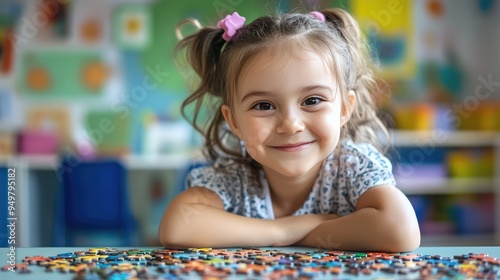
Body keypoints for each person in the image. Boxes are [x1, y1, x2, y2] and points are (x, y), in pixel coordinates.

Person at [159, 8, 420, 252]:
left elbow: (400, 229)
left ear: (344, 109)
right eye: (263, 105)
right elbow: (177, 226)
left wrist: (306, 236)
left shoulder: (352, 166)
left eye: (312, 101)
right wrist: (282, 231)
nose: (291, 125)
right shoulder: (234, 177)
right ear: (234, 121)